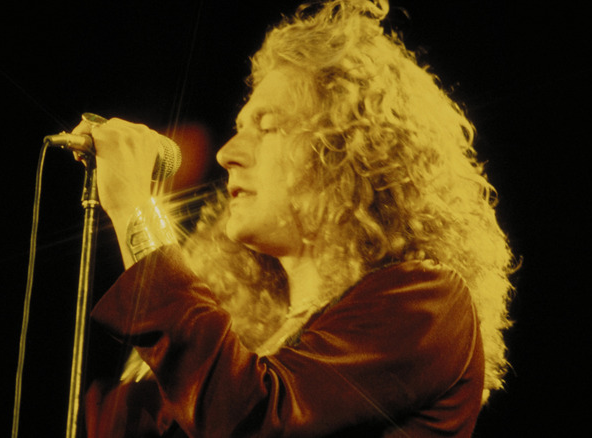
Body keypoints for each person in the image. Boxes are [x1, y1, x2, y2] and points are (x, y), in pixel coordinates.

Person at [71, 0, 515, 436]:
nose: (228, 154)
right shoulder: (247, 345)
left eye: (267, 127)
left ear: (346, 151)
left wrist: (136, 210)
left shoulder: (430, 305)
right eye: (240, 128)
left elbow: (255, 419)